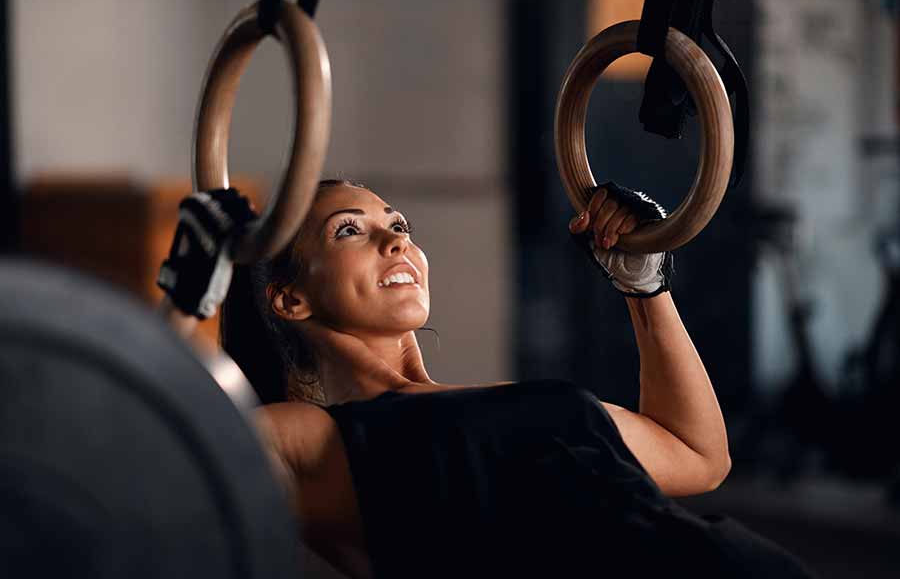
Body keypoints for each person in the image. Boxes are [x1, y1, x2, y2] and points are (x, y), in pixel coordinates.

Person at [159, 179, 815, 579]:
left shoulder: (513, 403)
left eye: (399, 226)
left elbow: (698, 454)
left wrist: (643, 281)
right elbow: (153, 460)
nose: (396, 243)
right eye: (350, 231)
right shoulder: (310, 439)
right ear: (290, 299)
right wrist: (190, 290)